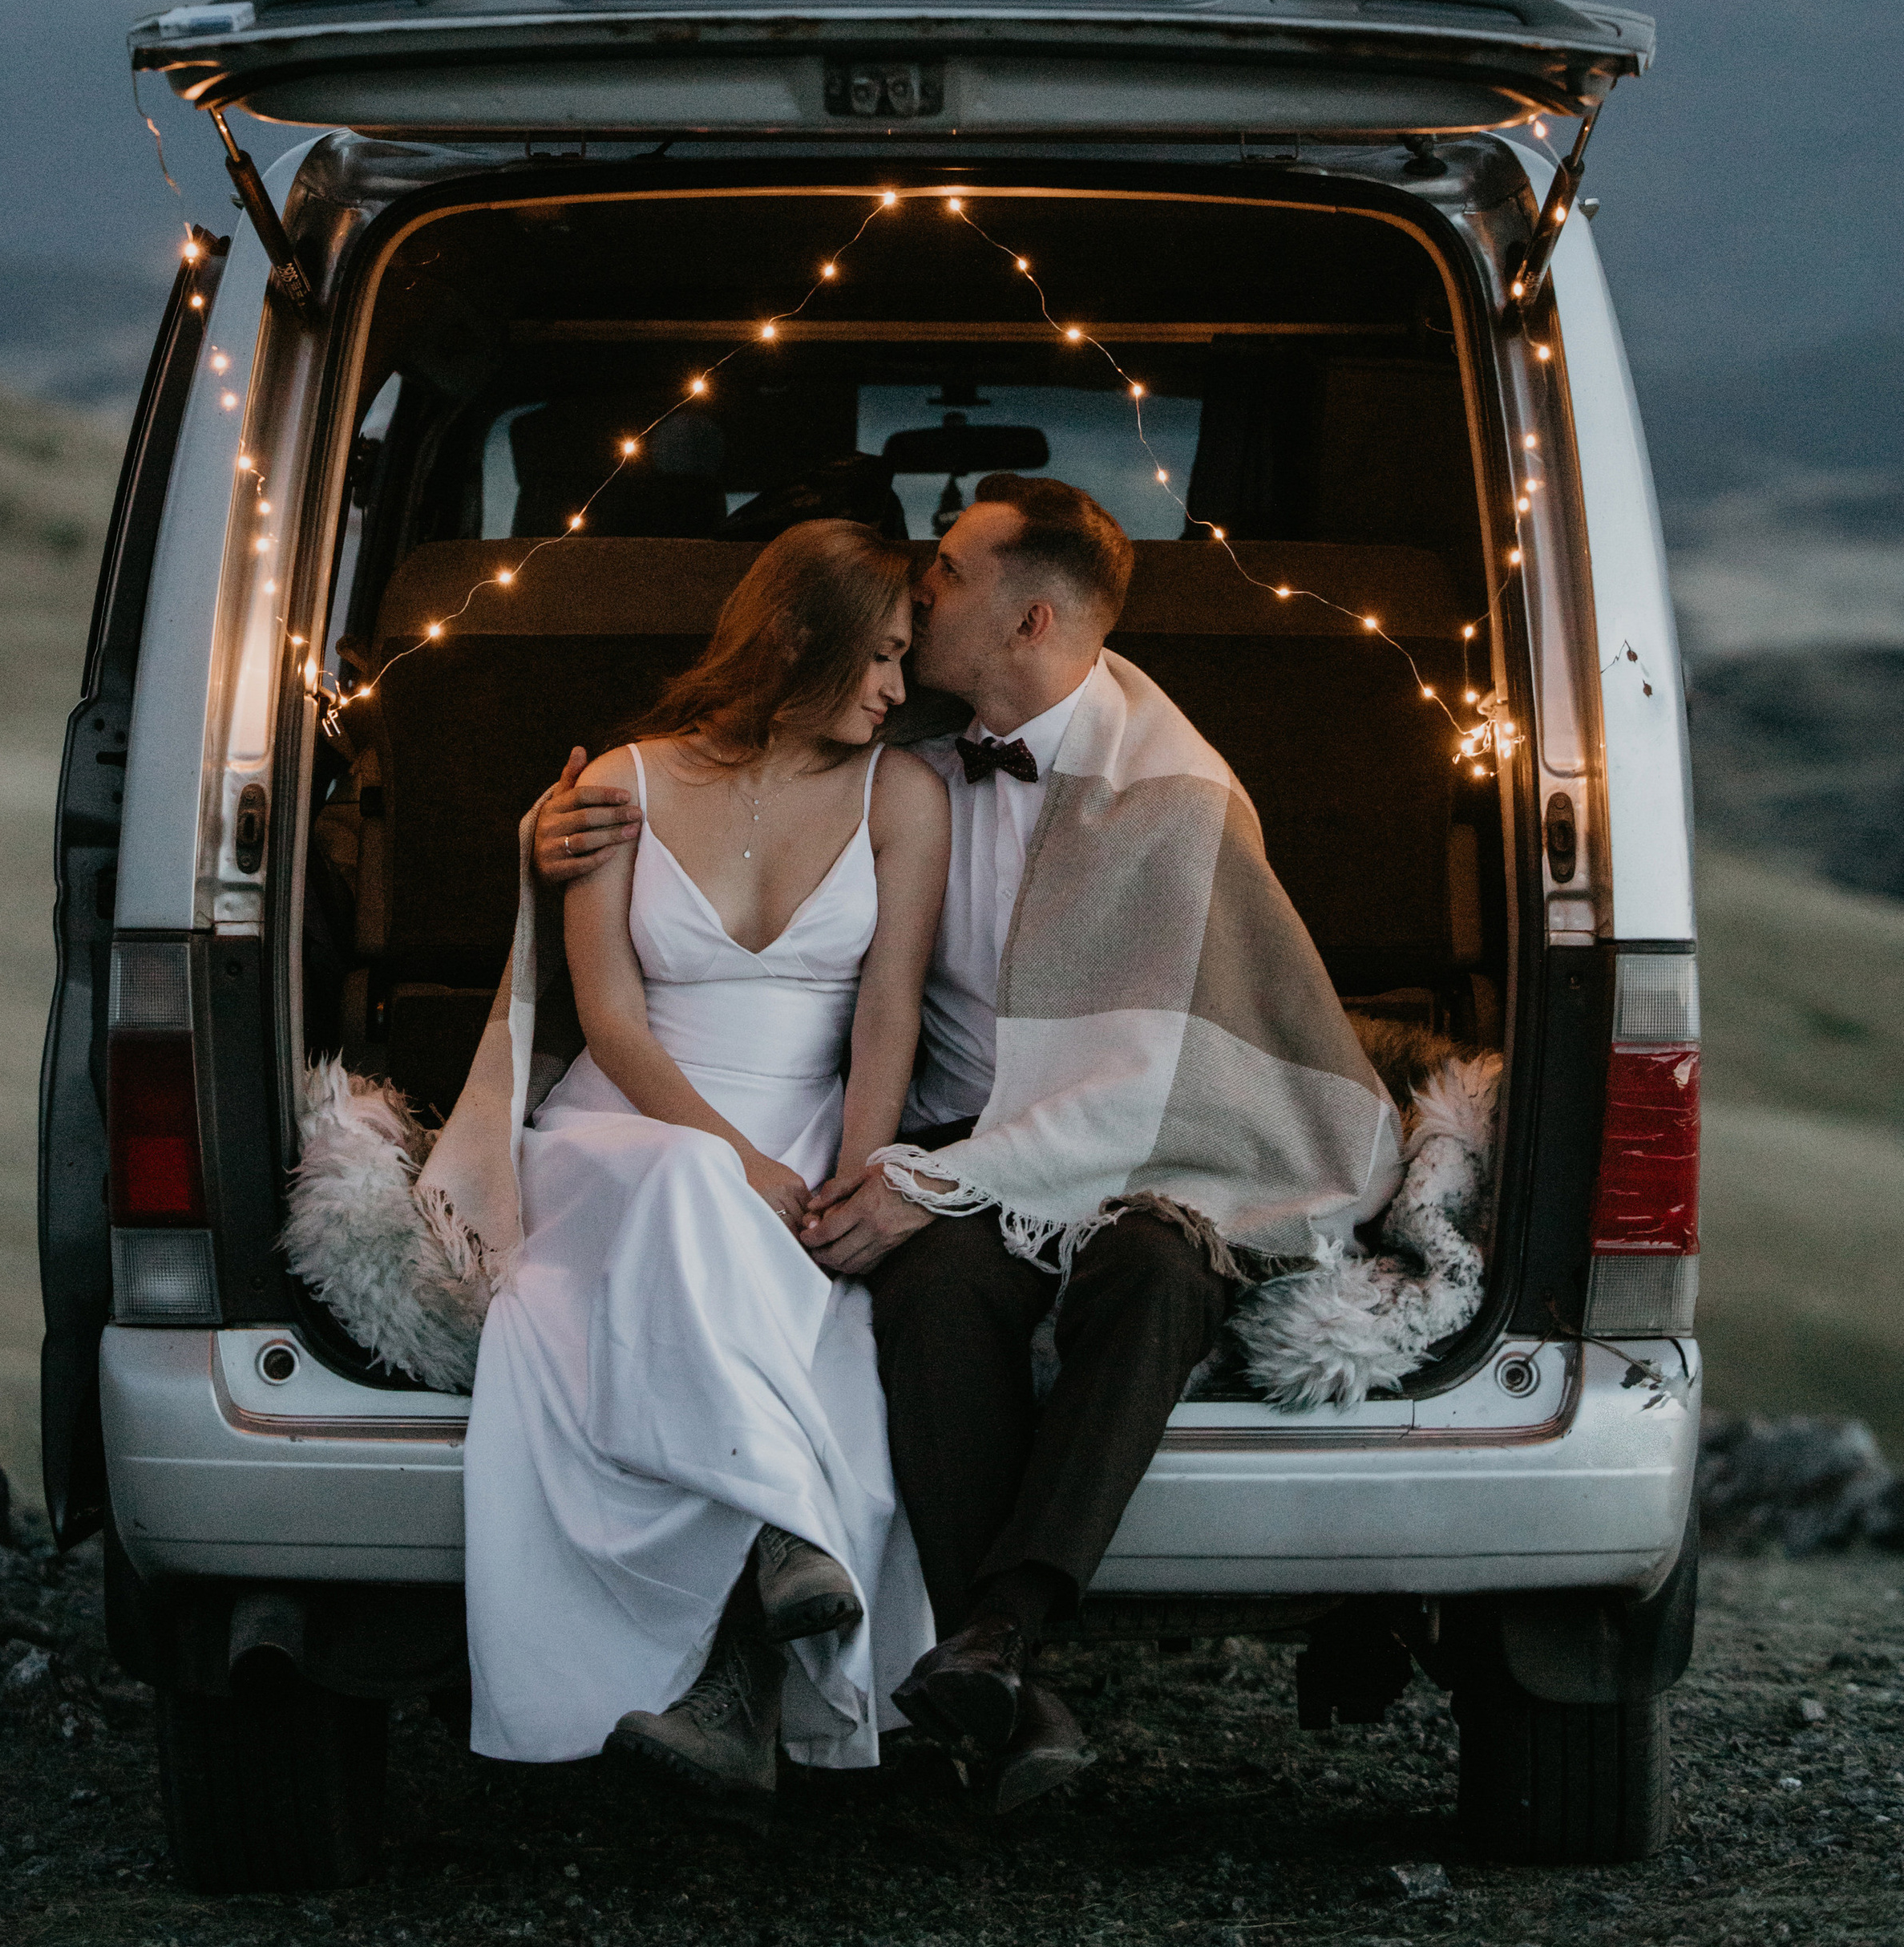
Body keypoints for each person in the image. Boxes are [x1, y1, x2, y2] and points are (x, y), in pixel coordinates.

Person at [536, 476, 1398, 1815]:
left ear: (1029, 619)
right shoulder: (896, 734)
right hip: (956, 1135)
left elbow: (1164, 1070)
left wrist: (928, 1179)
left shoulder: (1174, 788)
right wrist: (551, 825)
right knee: (933, 1290)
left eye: (947, 569)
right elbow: (726, 771)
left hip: (1137, 1152)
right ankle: (996, 1682)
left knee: (1156, 1274)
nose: (919, 585)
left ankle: (1004, 1630)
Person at [462, 518, 951, 1811]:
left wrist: (860, 1173)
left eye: (907, 657)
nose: (898, 688)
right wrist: (737, 1163)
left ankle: (736, 1679)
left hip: (808, 1130)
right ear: (794, 639)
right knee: (689, 1185)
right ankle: (789, 1528)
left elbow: (888, 1009)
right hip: (625, 1128)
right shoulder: (623, 782)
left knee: (819, 1301)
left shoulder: (904, 794)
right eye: (880, 655)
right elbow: (612, 1020)